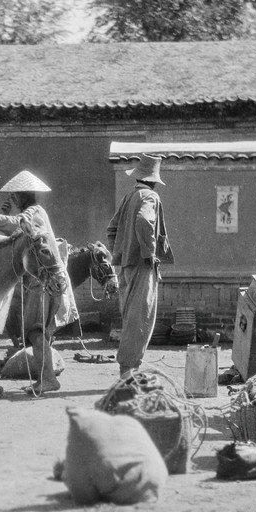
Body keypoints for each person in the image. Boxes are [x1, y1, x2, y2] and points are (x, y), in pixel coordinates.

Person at [0, 170, 79, 394]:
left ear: (23, 195)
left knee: (35, 332)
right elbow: (17, 232)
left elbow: (17, 224)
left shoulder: (33, 211)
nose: (13, 198)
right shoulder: (35, 212)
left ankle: (49, 379)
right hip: (44, 278)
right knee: (36, 332)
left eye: (15, 194)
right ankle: (45, 377)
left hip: (44, 279)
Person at [105, 153, 174, 379]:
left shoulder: (129, 197)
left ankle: (130, 369)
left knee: (132, 317)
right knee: (141, 318)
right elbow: (144, 221)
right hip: (142, 266)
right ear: (154, 179)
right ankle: (128, 372)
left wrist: (121, 254)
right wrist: (149, 252)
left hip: (126, 266)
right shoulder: (150, 197)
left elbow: (111, 229)